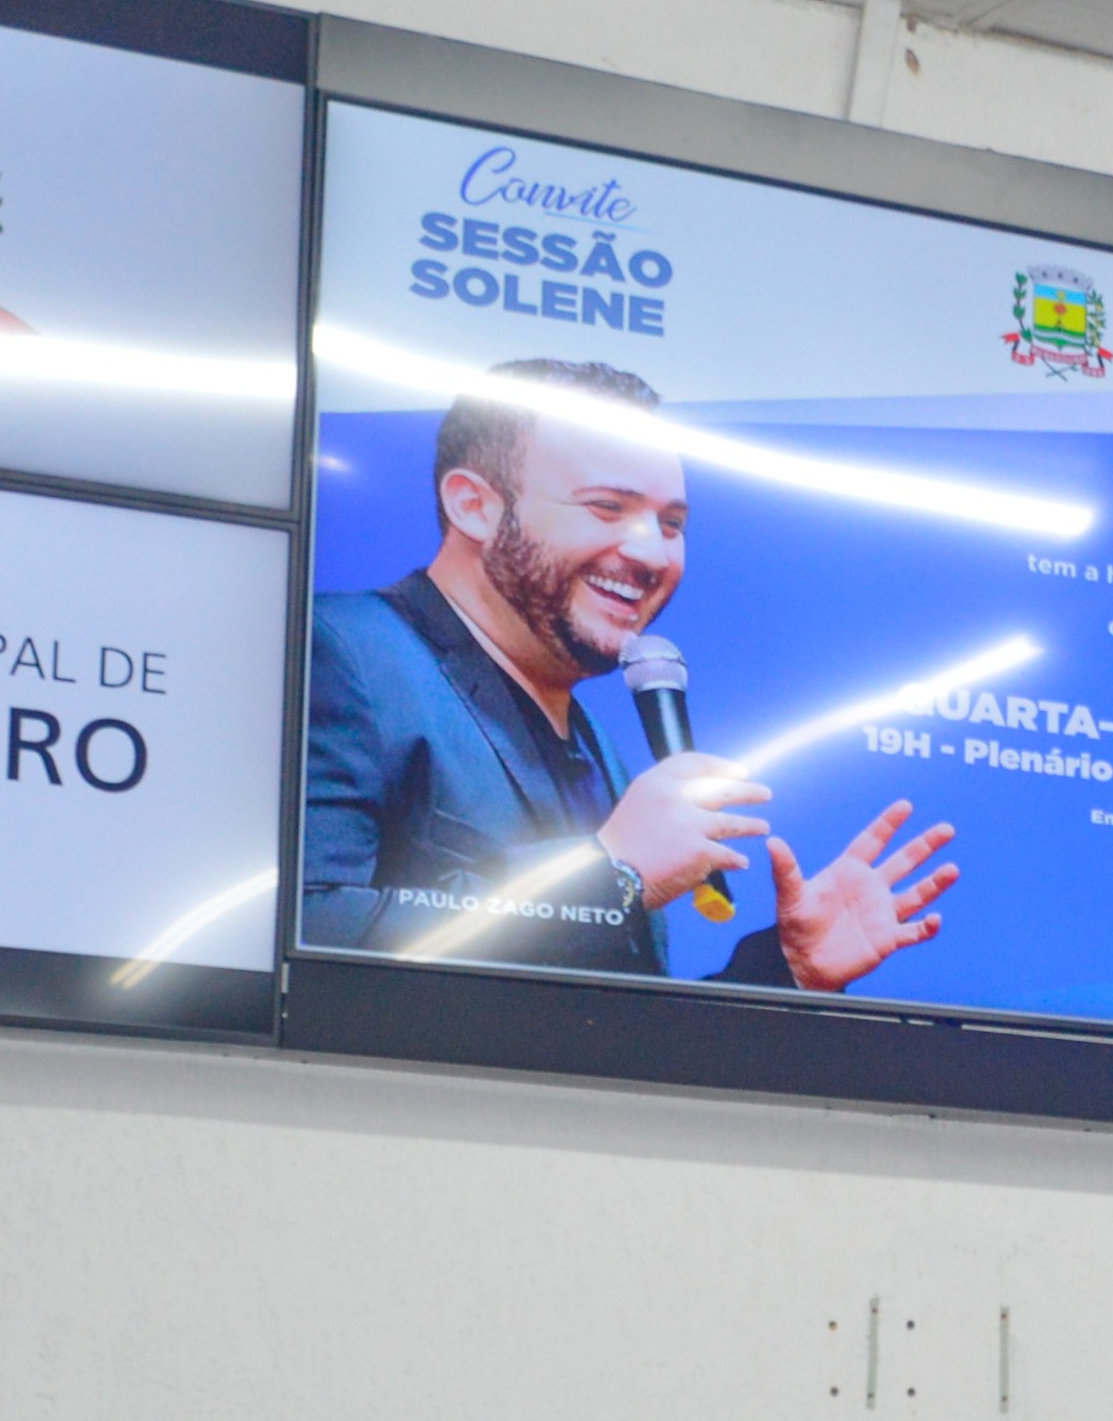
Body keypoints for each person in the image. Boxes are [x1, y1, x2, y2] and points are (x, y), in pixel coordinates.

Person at [298, 355, 958, 986]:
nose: (652, 554)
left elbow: (592, 1027)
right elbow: (305, 933)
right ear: (475, 505)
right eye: (607, 507)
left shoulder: (601, 755)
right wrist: (605, 872)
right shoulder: (344, 651)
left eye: (671, 523)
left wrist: (787, 970)